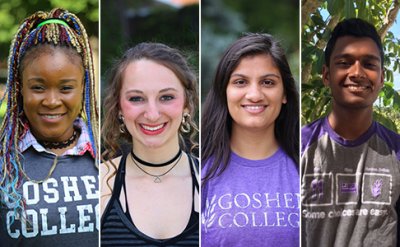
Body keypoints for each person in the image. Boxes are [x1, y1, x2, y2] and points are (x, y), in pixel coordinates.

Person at [0, 8, 99, 247]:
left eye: (65, 88)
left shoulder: (108, 156)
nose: (52, 101)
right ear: (19, 88)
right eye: (38, 88)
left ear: (83, 88)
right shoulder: (5, 164)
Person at [301, 18, 400, 246]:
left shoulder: (396, 151)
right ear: (326, 75)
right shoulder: (299, 147)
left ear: (382, 77)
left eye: (369, 64)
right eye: (345, 63)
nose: (357, 73)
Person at [201, 33, 300, 246]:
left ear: (284, 94)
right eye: (240, 82)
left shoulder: (308, 169)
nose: (254, 94)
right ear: (224, 92)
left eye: (267, 82)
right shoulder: (198, 172)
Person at [100, 42, 199, 246]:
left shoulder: (213, 179)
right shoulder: (98, 182)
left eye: (166, 97)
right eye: (136, 98)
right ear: (119, 108)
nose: (152, 114)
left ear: (187, 104)